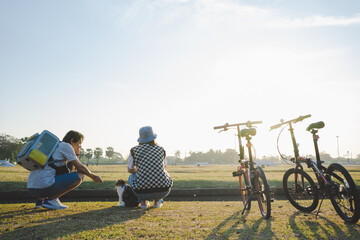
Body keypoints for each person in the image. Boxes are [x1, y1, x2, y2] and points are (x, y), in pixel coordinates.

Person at [27, 130, 103, 210]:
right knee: (79, 176)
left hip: (32, 188)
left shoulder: (54, 147)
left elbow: (62, 171)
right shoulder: (66, 146)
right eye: (79, 143)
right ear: (72, 140)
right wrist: (93, 176)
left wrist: (76, 154)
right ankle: (51, 200)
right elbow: (80, 168)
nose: (79, 146)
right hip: (43, 187)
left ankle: (39, 202)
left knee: (50, 174)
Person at [127, 126, 172, 208]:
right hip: (163, 191)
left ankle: (143, 202)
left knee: (132, 176)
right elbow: (164, 167)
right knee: (165, 173)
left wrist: (138, 170)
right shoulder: (161, 149)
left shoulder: (134, 150)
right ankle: (157, 201)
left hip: (141, 191)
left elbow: (130, 170)